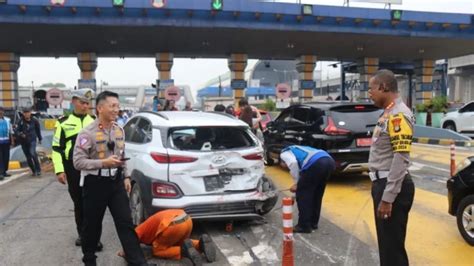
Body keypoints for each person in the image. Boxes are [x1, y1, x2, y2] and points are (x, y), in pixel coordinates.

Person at [73, 91, 152, 266]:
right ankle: (89, 260)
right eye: (112, 106)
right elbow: (78, 162)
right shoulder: (87, 133)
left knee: (126, 222)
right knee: (92, 225)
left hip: (116, 183)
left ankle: (137, 262)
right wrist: (103, 163)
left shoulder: (119, 130)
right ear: (100, 108)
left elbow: (122, 155)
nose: (116, 109)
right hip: (95, 184)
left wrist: (125, 176)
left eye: (117, 106)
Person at [367, 69, 415, 266]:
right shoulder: (388, 112)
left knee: (392, 250)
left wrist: (388, 197)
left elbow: (401, 157)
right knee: (387, 247)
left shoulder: (398, 115)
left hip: (392, 187)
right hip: (384, 183)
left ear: (383, 87)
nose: (369, 93)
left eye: (371, 89)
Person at [51, 88, 102, 249]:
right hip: (72, 169)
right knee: (79, 203)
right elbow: (57, 149)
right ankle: (83, 235)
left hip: (92, 167)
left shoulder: (95, 121)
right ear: (73, 102)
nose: (85, 106)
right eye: (82, 102)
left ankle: (94, 237)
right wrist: (59, 170)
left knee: (93, 203)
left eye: (87, 103)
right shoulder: (63, 122)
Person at [118, 209, 216, 265]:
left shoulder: (137, 230)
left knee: (157, 250)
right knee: (178, 242)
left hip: (173, 225)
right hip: (187, 219)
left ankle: (183, 252)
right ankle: (200, 244)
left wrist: (125, 251)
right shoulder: (148, 224)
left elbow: (130, 241)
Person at [280, 145, 335, 233]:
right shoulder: (298, 149)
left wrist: (297, 185)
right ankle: (313, 223)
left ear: (282, 161)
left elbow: (293, 163)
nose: (287, 168)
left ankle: (304, 226)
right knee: (317, 195)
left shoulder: (284, 153)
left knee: (304, 196)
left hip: (316, 164)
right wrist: (295, 194)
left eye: (284, 166)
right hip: (329, 161)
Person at [14, 107, 42, 176]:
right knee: (28, 157)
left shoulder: (35, 120)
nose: (27, 114)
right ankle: (33, 171)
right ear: (23, 114)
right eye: (25, 113)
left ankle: (38, 170)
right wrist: (20, 134)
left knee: (32, 153)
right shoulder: (20, 121)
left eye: (28, 113)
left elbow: (38, 130)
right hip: (24, 142)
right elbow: (16, 130)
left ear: (30, 113)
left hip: (32, 140)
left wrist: (40, 138)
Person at [0, 106, 14, 180]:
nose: (1, 112)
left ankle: (4, 171)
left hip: (6, 142)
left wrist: (12, 140)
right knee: (0, 158)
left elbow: (10, 131)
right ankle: (1, 173)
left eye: (2, 110)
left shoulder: (7, 120)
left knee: (6, 158)